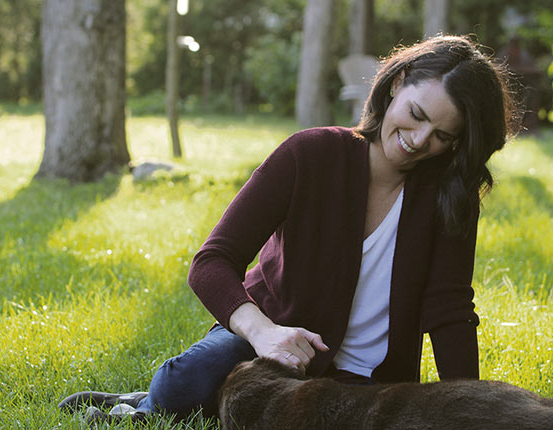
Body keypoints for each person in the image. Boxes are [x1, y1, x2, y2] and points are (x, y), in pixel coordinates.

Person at [58, 35, 518, 424]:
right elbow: (212, 263)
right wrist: (263, 333)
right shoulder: (311, 154)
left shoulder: (448, 197)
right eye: (417, 115)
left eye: (443, 136)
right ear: (397, 84)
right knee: (189, 384)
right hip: (268, 346)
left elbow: (450, 310)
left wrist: (473, 408)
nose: (420, 141)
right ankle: (139, 406)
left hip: (369, 381)